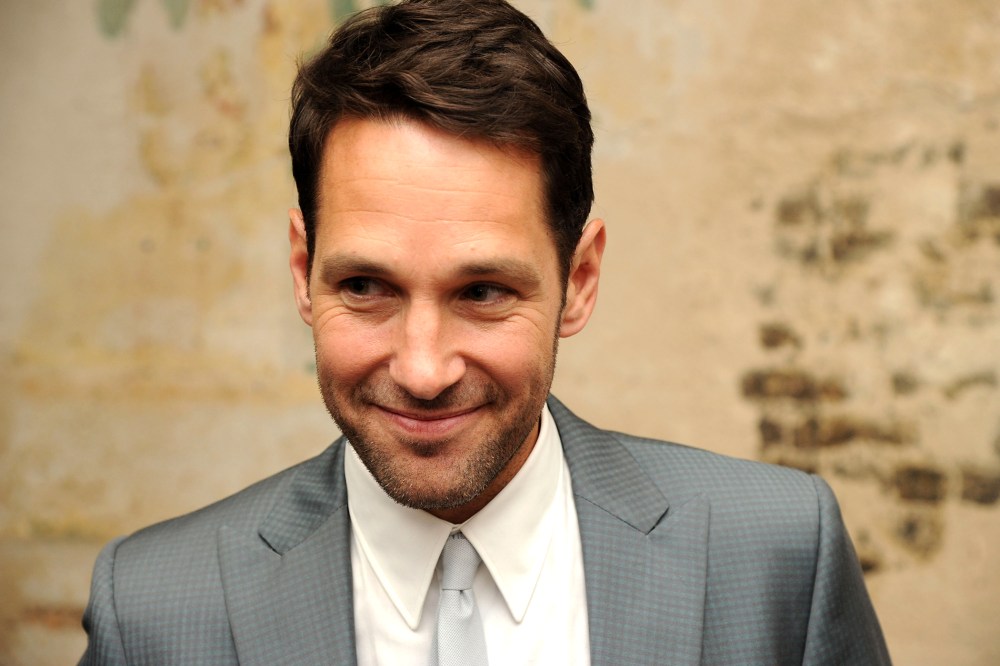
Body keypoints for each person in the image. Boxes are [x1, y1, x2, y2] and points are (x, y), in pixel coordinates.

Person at [79, 0, 891, 664]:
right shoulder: (151, 610)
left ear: (579, 281)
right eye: (365, 287)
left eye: (483, 291)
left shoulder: (780, 557)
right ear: (303, 270)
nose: (423, 369)